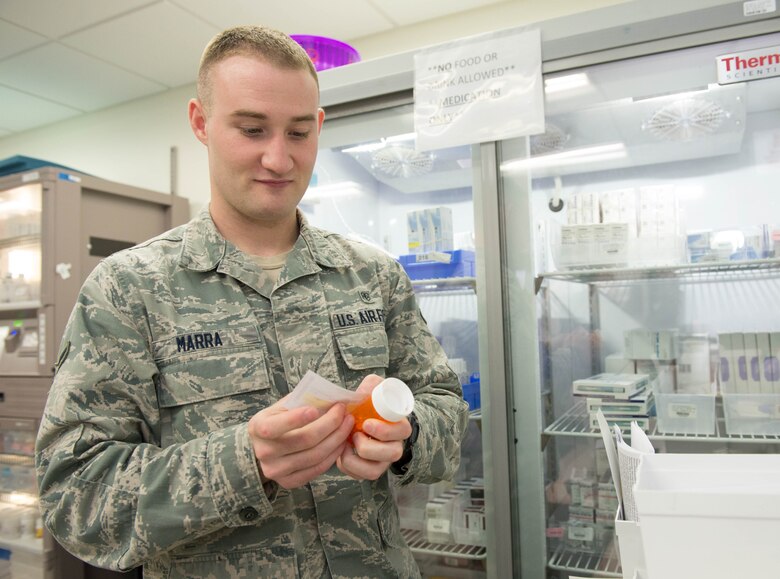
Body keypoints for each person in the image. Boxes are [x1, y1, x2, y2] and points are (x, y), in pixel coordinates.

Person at [35, 25, 469, 579]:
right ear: (201, 122)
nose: (279, 158)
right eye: (252, 129)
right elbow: (76, 495)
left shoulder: (372, 274)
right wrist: (244, 462)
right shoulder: (128, 288)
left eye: (298, 132)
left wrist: (403, 436)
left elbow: (447, 409)